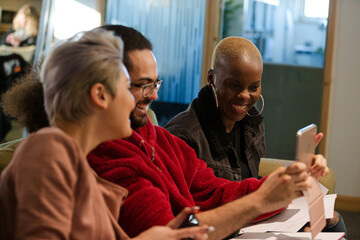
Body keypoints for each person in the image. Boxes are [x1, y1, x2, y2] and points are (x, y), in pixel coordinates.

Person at [87, 25, 320, 240]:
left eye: (156, 84)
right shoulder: (112, 159)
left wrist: (286, 183)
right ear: (103, 91)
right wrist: (259, 201)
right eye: (142, 85)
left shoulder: (161, 140)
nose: (154, 96)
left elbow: (215, 192)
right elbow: (171, 233)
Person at [0, 29, 212, 239]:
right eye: (126, 87)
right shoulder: (48, 151)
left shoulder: (78, 165)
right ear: (100, 95)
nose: (132, 100)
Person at [164, 37, 347, 235]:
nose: (244, 96)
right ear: (211, 79)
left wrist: (300, 174)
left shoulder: (252, 124)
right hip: (216, 227)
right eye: (234, 85)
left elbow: (246, 179)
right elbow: (192, 208)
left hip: (250, 219)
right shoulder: (182, 136)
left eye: (253, 87)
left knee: (332, 221)